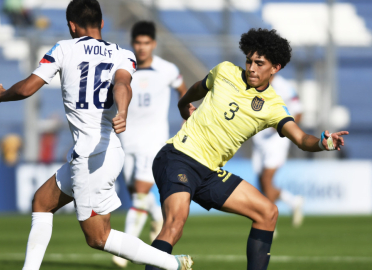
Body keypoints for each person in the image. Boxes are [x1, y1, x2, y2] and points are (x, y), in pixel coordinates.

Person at [0, 1, 193, 270]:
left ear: (72, 25)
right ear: (101, 23)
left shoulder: (63, 49)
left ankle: (172, 264)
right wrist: (123, 111)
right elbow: (122, 84)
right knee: (42, 202)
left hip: (92, 156)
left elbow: (26, 88)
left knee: (98, 237)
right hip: (103, 150)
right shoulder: (123, 54)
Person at [146, 28, 349, 270]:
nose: (251, 67)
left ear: (276, 68)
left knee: (268, 212)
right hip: (178, 157)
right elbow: (198, 88)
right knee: (175, 224)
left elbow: (301, 138)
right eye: (249, 61)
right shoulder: (225, 71)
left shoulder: (273, 105)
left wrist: (322, 143)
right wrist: (183, 104)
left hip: (209, 171)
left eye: (259, 63)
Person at [113, 21, 187, 268]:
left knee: (141, 193)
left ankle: (124, 250)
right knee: (137, 194)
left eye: (146, 43)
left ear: (153, 44)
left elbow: (182, 90)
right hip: (127, 141)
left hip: (153, 142)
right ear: (133, 44)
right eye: (138, 43)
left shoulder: (166, 69)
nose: (142, 48)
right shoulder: (124, 69)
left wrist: (187, 113)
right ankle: (157, 219)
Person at [251, 74, 304, 228]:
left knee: (267, 179)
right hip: (259, 139)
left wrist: (283, 128)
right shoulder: (255, 84)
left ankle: (268, 224)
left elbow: (299, 112)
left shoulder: (283, 86)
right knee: (262, 183)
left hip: (276, 140)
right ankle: (293, 201)